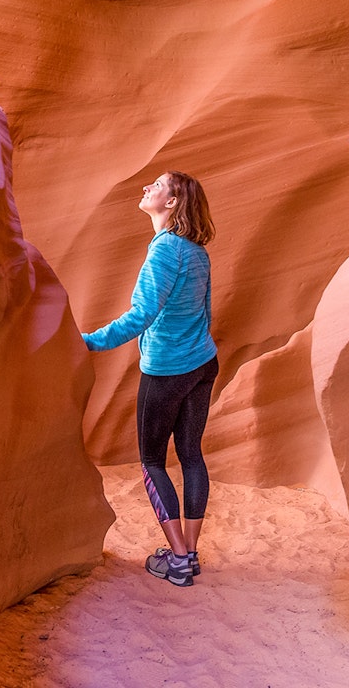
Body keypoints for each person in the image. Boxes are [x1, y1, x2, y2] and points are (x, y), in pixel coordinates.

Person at [81, 171, 218, 587]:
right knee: (191, 455)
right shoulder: (196, 252)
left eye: (157, 185)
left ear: (173, 202)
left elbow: (141, 315)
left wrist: (85, 342)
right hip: (203, 363)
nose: (147, 188)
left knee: (153, 462)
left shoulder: (164, 252)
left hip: (166, 371)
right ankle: (190, 553)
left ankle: (176, 560)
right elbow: (205, 312)